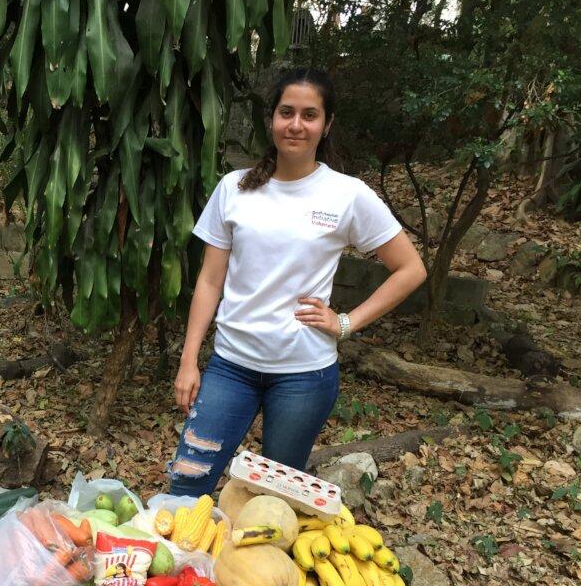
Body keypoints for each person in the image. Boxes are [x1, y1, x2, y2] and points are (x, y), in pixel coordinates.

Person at [167, 68, 427, 497]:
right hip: (231, 367)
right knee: (186, 485)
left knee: (275, 501)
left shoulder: (347, 194)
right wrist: (189, 358)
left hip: (303, 376)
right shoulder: (234, 188)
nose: (296, 124)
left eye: (310, 115)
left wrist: (346, 322)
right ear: (270, 119)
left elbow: (411, 269)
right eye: (286, 112)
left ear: (326, 126)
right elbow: (210, 280)